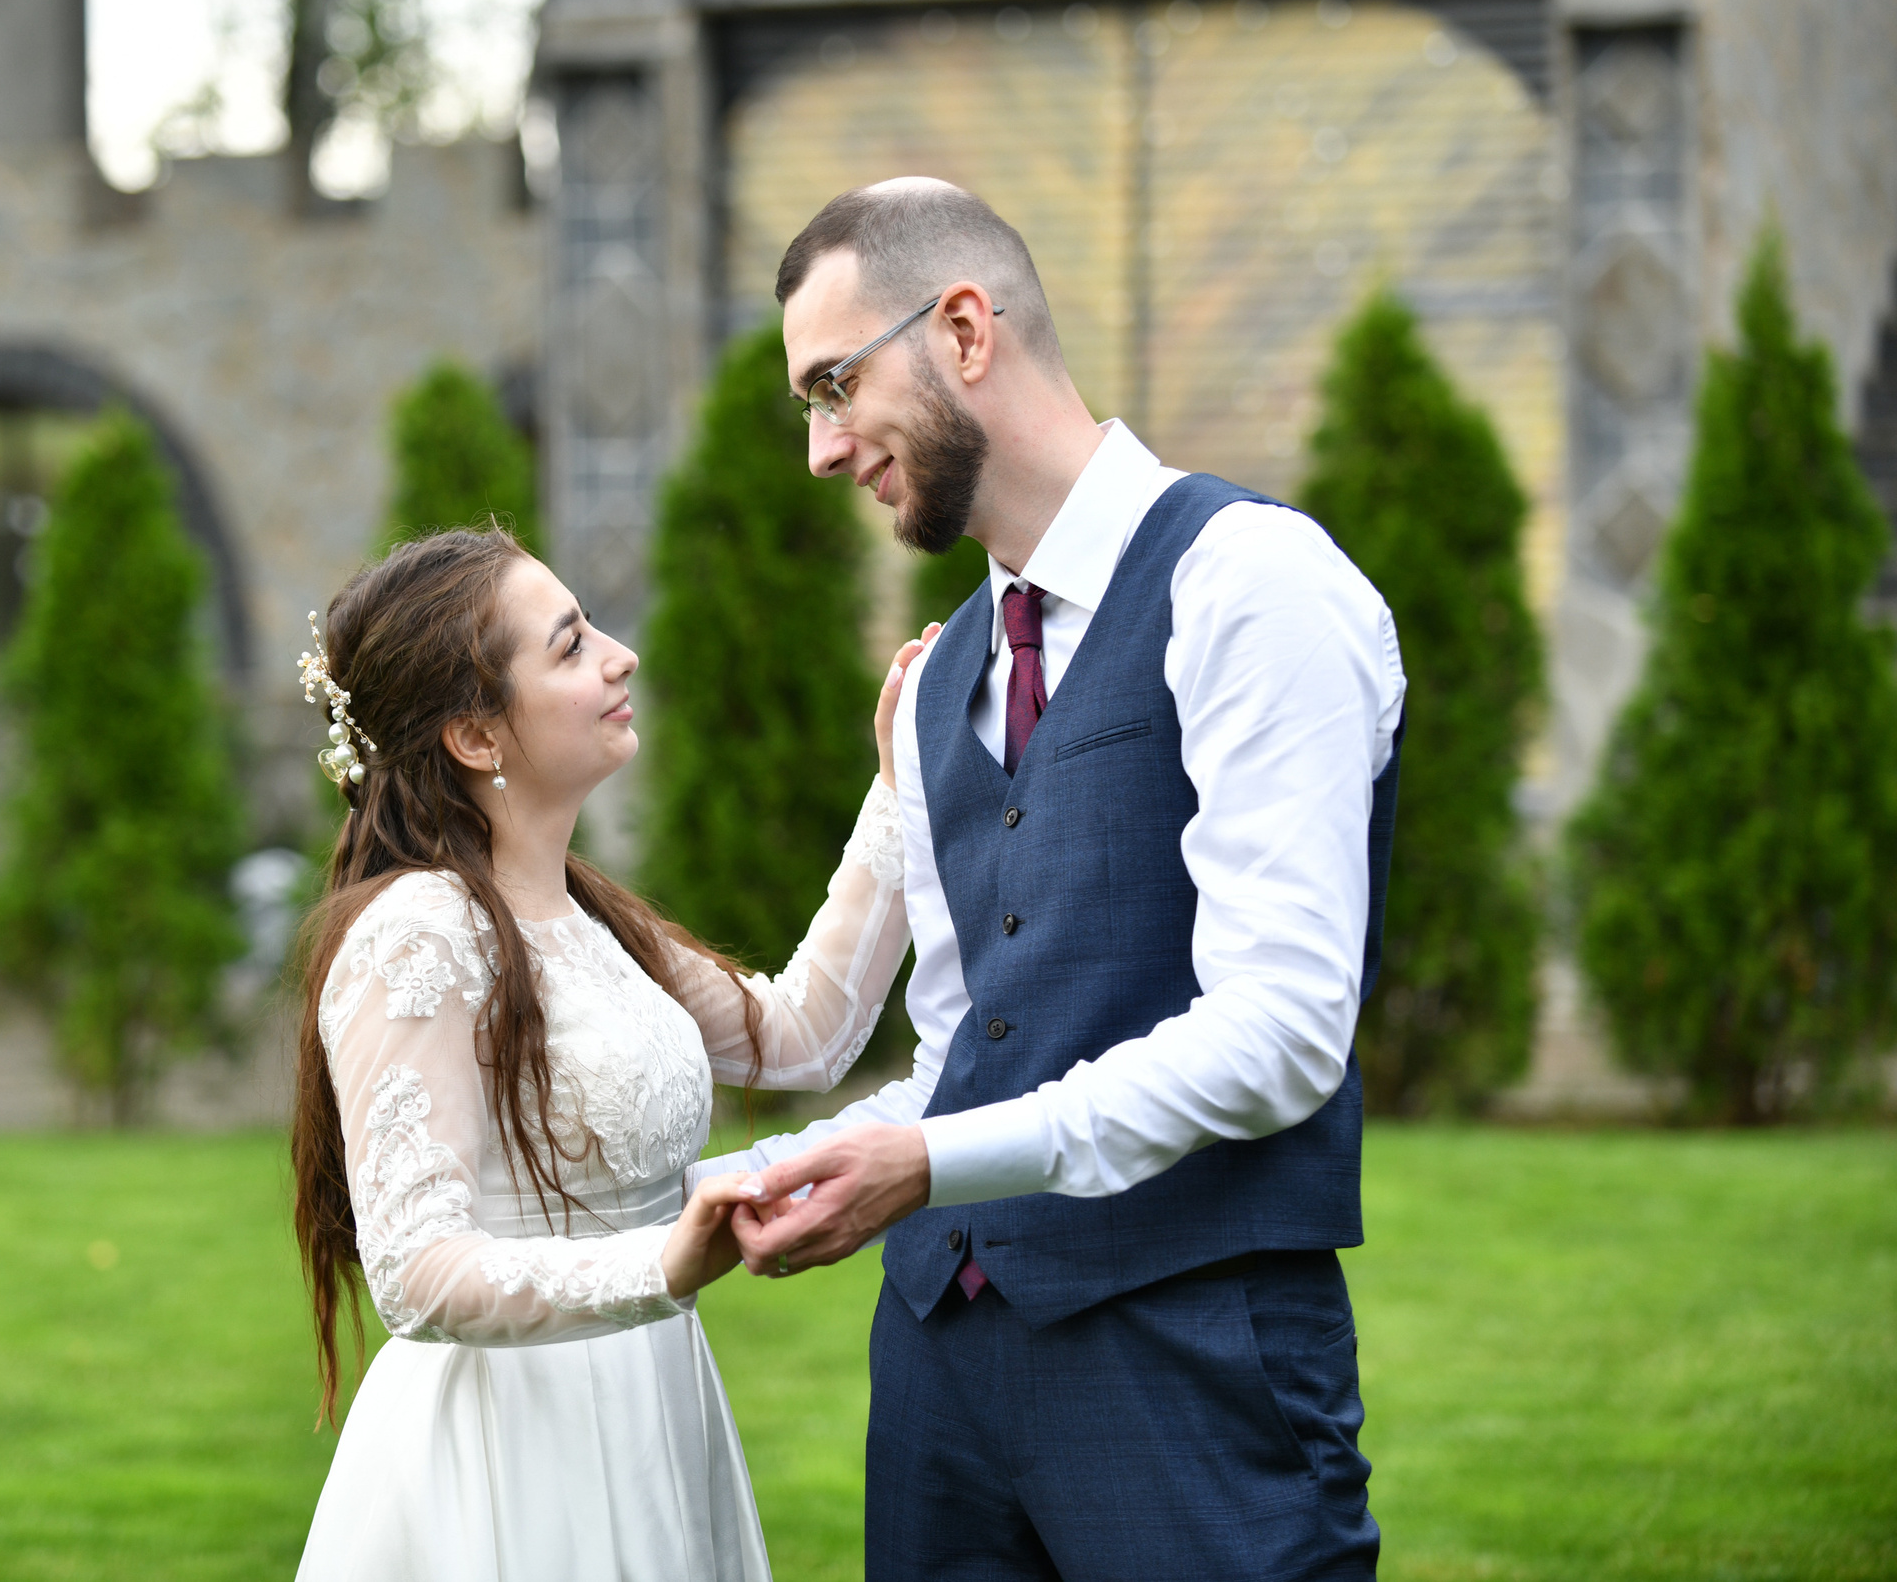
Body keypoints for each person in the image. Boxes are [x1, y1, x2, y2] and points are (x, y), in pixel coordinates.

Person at [702, 179, 1407, 1580]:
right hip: (938, 1366)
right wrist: (774, 1166)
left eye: (834, 384)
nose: (820, 450)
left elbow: (1282, 1036)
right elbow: (973, 1050)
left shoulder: (1251, 584)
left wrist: (926, 1161)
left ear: (965, 327)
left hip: (1191, 1354)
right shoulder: (936, 678)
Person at [290, 525, 926, 1581]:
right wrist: (659, 1262)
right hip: (512, 1449)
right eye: (571, 643)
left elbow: (800, 1033)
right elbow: (414, 1267)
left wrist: (901, 788)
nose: (620, 654)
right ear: (477, 737)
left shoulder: (586, 914)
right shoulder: (419, 935)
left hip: (655, 1406)